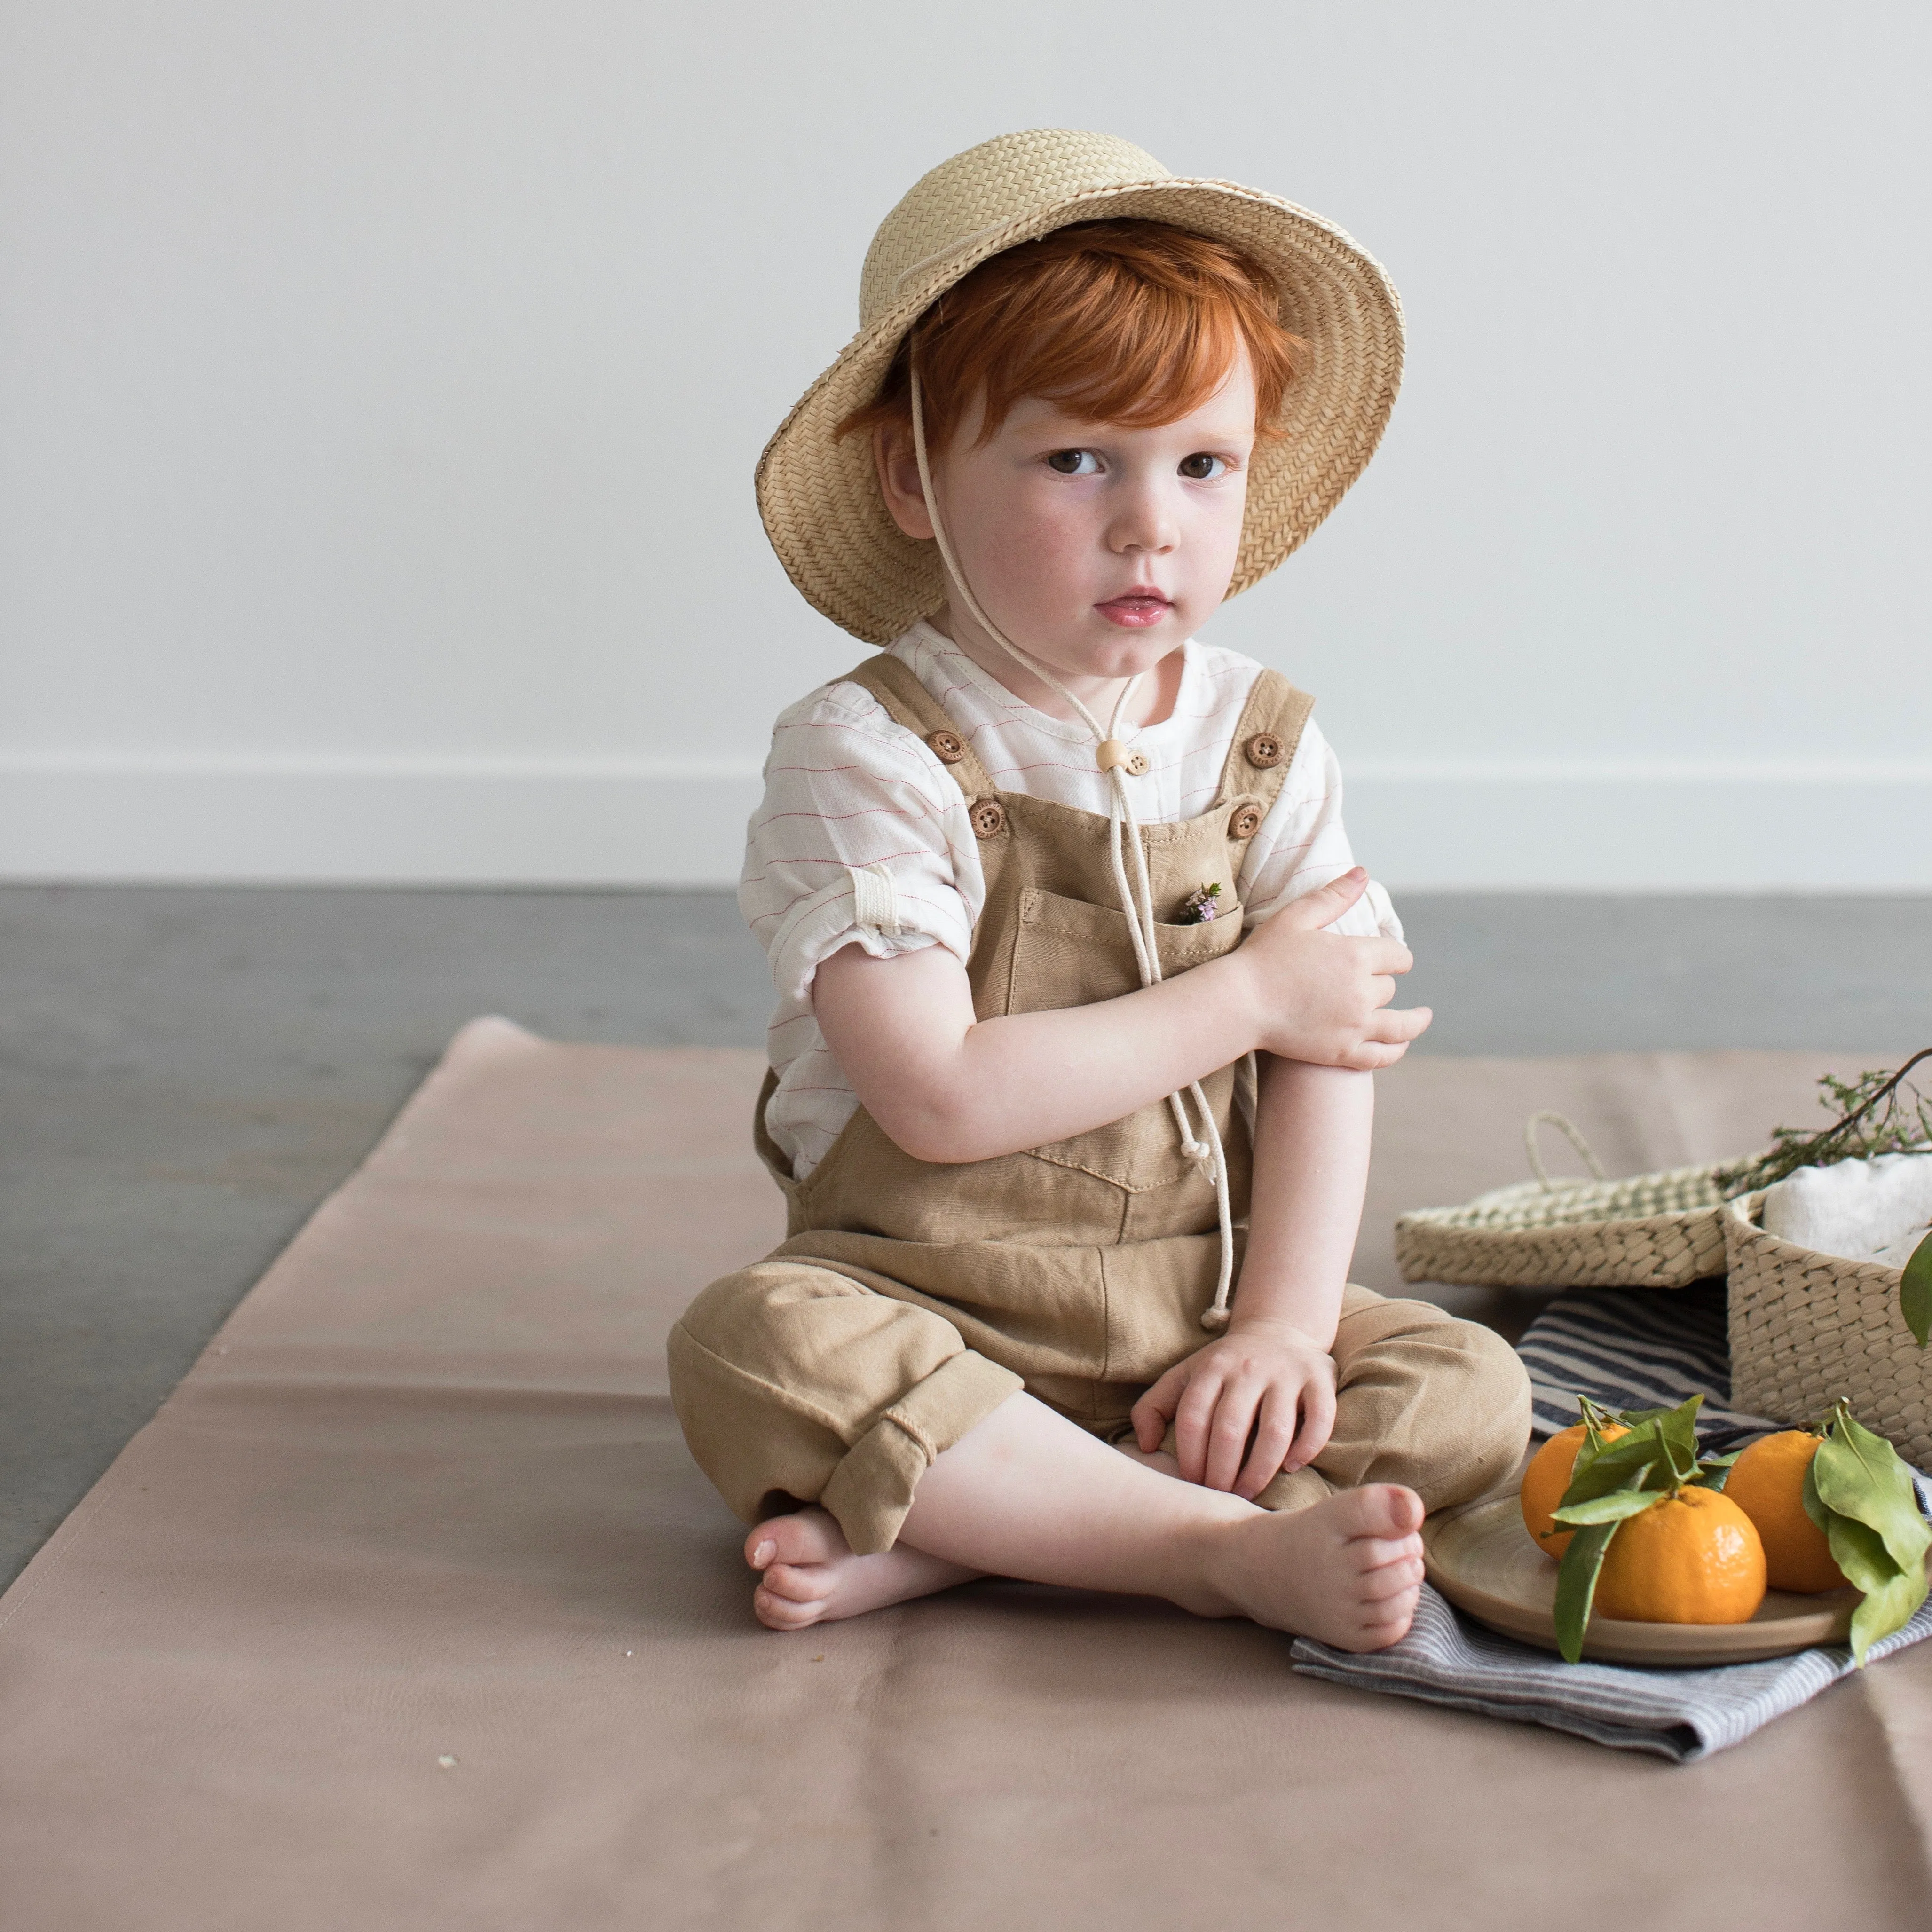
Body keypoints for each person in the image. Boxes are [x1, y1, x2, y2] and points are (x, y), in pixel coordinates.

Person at [668, 130, 1530, 1652]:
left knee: (1470, 1393)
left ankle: (987, 1529)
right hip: (935, 1299)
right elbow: (936, 1096)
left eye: (1202, 464)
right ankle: (1202, 1548)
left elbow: (1331, 1047)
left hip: (1196, 1312)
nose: (1153, 523)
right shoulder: (867, 755)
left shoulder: (1257, 738)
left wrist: (1273, 1327)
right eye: (1076, 460)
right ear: (910, 477)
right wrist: (1249, 988)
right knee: (753, 1345)